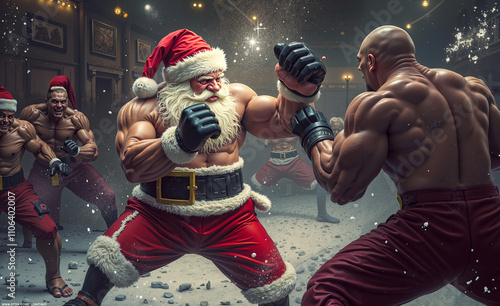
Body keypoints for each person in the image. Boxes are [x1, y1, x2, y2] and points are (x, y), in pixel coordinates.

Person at [64, 29, 326, 306]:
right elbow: (132, 165)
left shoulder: (235, 97)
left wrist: (297, 89)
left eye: (218, 77)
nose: (215, 86)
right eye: (204, 80)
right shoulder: (146, 108)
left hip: (232, 216)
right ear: (179, 81)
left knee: (275, 289)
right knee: (104, 265)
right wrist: (177, 142)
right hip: (160, 213)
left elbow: (280, 123)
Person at [291, 25, 500, 305]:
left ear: (370, 61)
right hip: (491, 221)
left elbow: (341, 187)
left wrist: (314, 134)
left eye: (361, 65)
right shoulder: (475, 90)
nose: (364, 74)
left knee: (325, 292)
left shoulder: (379, 102)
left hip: (429, 229)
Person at [20, 76, 117, 248]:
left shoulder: (76, 119)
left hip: (74, 168)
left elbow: (93, 151)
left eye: (63, 102)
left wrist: (77, 151)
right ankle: (26, 244)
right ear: (46, 101)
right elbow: (25, 141)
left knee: (107, 196)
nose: (59, 106)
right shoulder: (32, 114)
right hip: (45, 169)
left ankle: (115, 238)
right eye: (55, 101)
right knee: (29, 205)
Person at [0, 86, 73, 298]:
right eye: (0, 116)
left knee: (48, 229)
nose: (6, 121)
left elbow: (40, 148)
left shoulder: (21, 129)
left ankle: (53, 277)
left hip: (16, 189)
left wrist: (54, 161)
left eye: (9, 116)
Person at [252, 136, 339, 223]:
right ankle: (248, 214)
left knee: (320, 181)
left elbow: (304, 149)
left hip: (293, 162)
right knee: (255, 182)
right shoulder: (272, 129)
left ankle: (322, 215)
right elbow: (266, 144)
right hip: (274, 162)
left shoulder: (295, 129)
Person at [315, 116, 344, 224]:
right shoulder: (326, 138)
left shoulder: (343, 138)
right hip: (325, 166)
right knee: (321, 186)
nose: (336, 131)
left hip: (336, 167)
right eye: (334, 129)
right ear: (330, 128)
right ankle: (321, 215)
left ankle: (322, 214)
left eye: (339, 129)